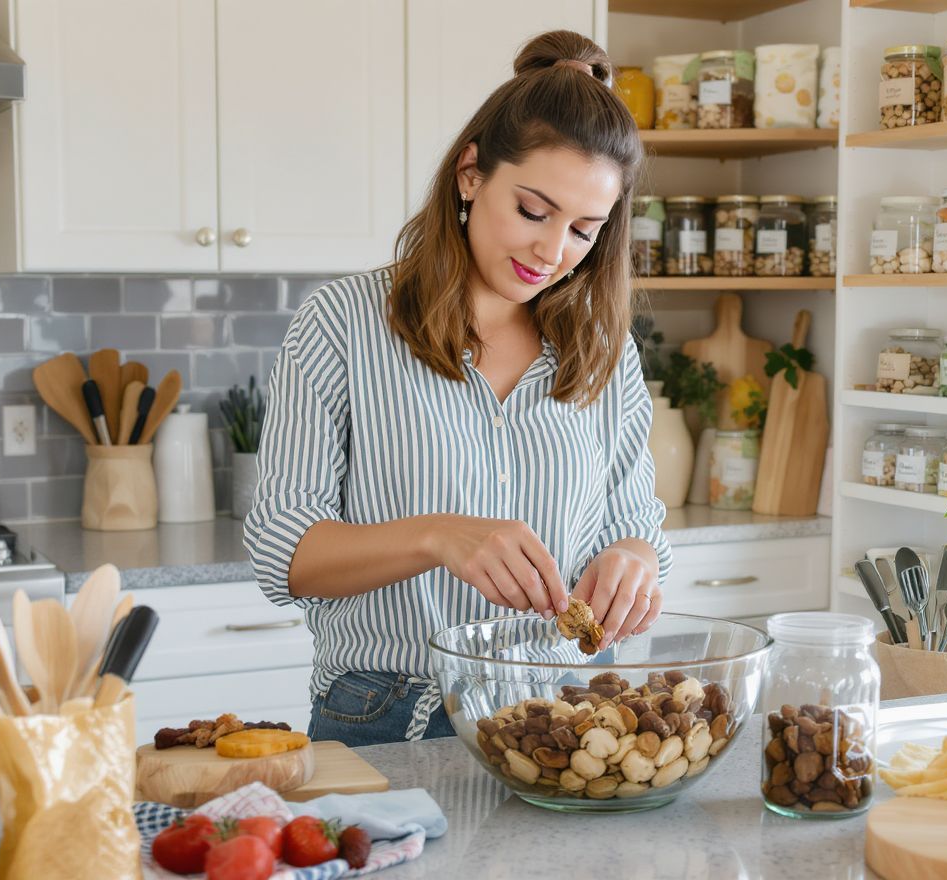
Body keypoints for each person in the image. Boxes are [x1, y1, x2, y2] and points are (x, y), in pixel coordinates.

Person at [244, 30, 671, 747]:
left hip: (563, 717)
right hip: (388, 714)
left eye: (584, 230)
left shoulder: (602, 349)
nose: (552, 251)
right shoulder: (344, 323)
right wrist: (439, 536)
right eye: (534, 211)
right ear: (471, 172)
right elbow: (283, 553)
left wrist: (632, 562)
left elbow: (634, 523)